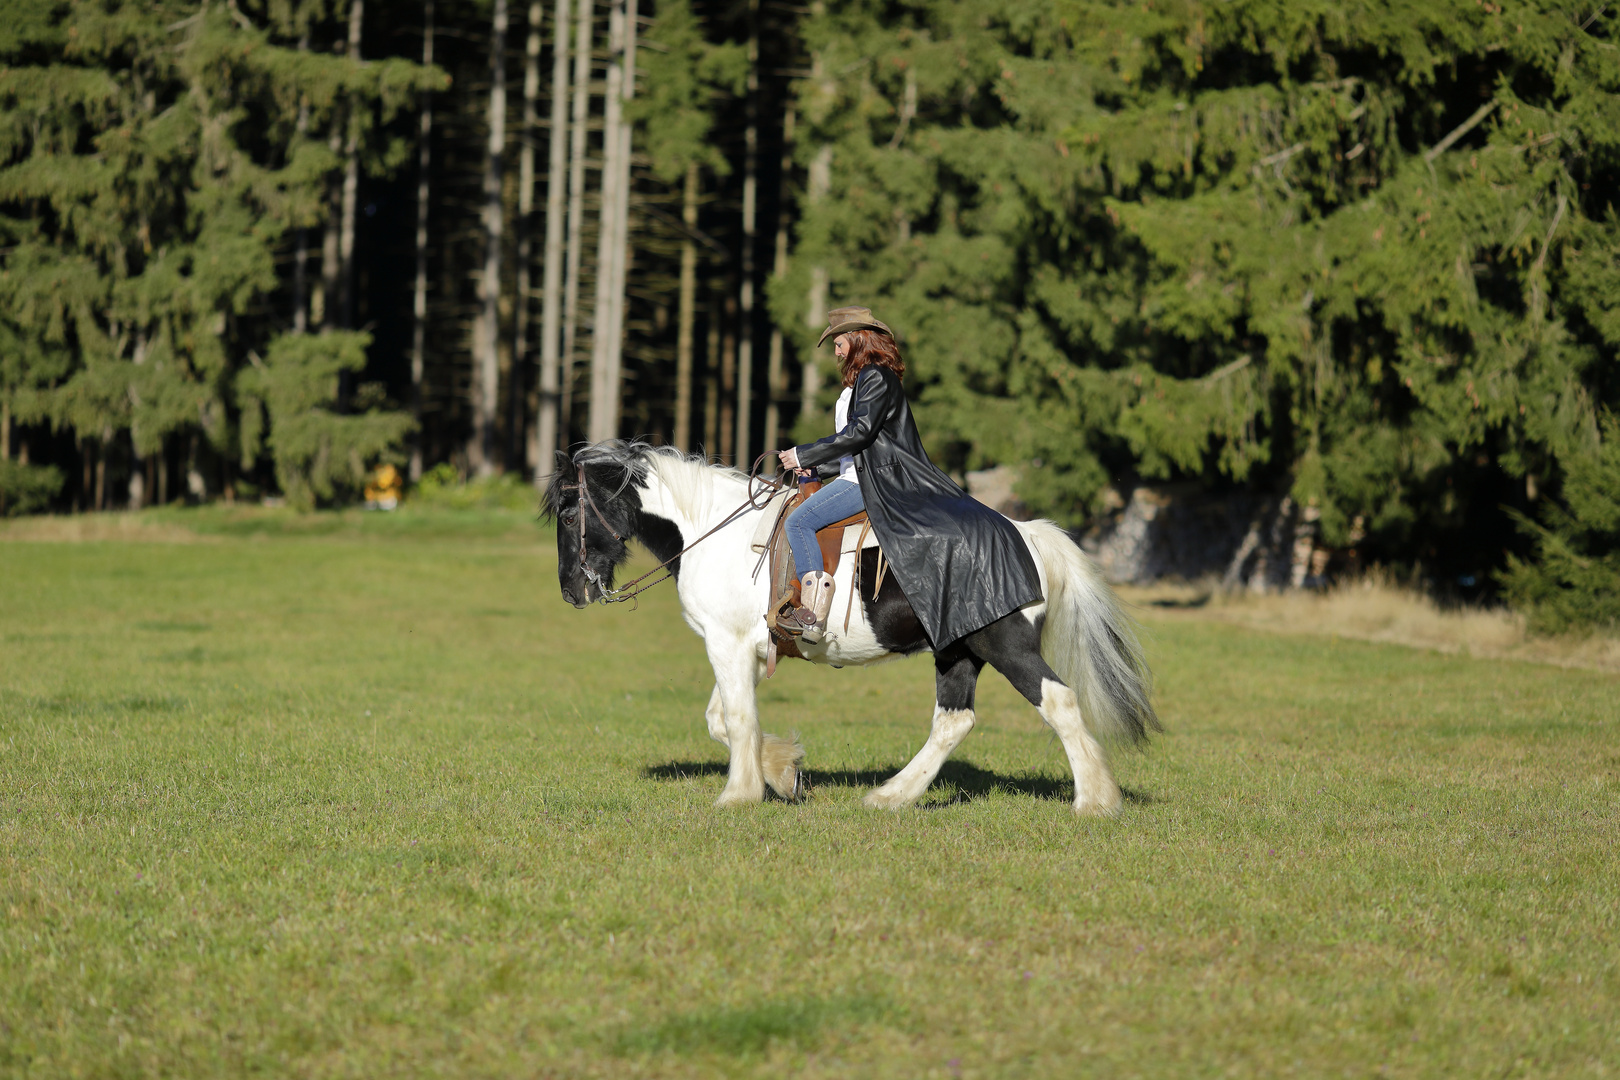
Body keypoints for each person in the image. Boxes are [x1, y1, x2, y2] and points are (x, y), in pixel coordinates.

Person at [776, 306, 1042, 649]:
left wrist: (805, 453)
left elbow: (860, 433)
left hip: (872, 484)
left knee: (798, 522)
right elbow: (857, 450)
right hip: (860, 474)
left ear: (858, 340)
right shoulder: (866, 380)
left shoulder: (874, 375)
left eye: (839, 343)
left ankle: (811, 616)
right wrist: (814, 469)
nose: (837, 352)